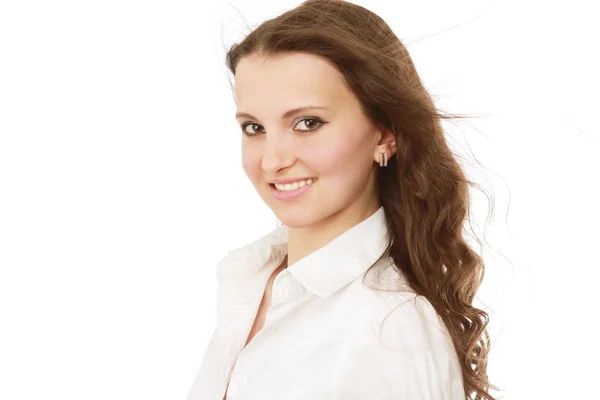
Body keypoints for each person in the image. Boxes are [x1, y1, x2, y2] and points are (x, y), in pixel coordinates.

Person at [188, 1, 498, 399]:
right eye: (254, 127)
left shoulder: (392, 327)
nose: (272, 160)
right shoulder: (248, 282)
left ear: (385, 134)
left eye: (307, 123)